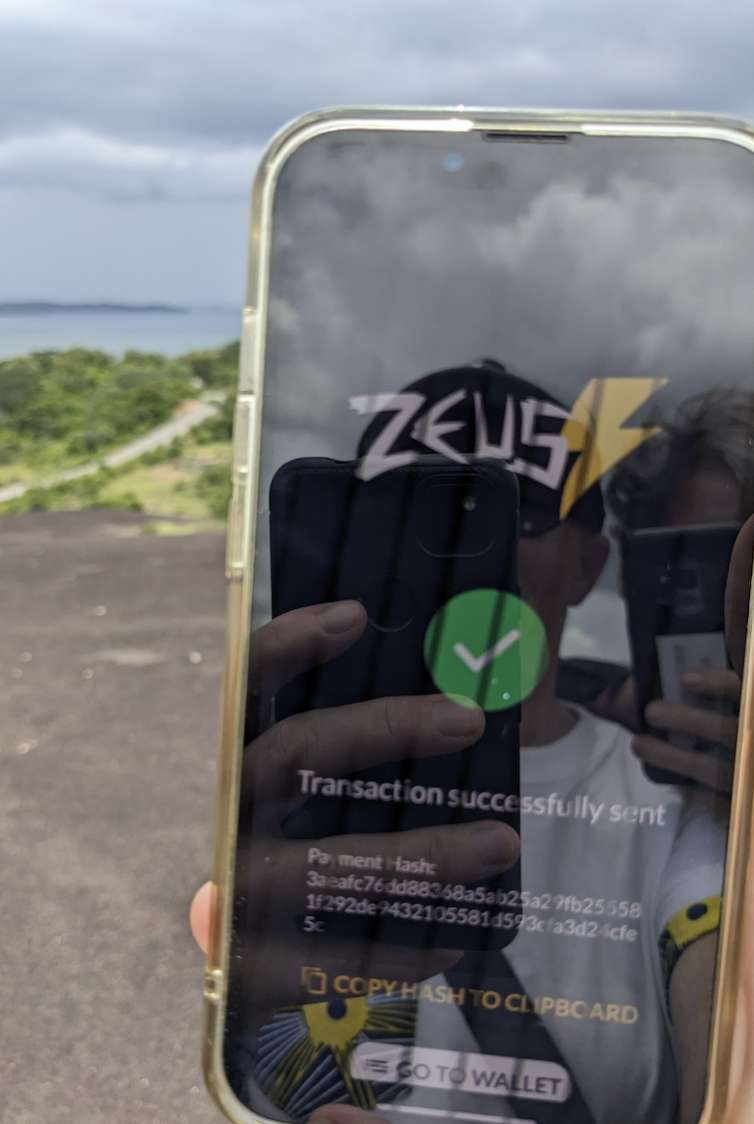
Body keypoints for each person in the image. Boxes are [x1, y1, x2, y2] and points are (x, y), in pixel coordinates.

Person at [192, 363, 739, 1124]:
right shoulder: (291, 785)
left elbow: (722, 1016)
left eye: (519, 514)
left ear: (589, 565)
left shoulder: (679, 808)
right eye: (408, 514)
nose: (461, 543)